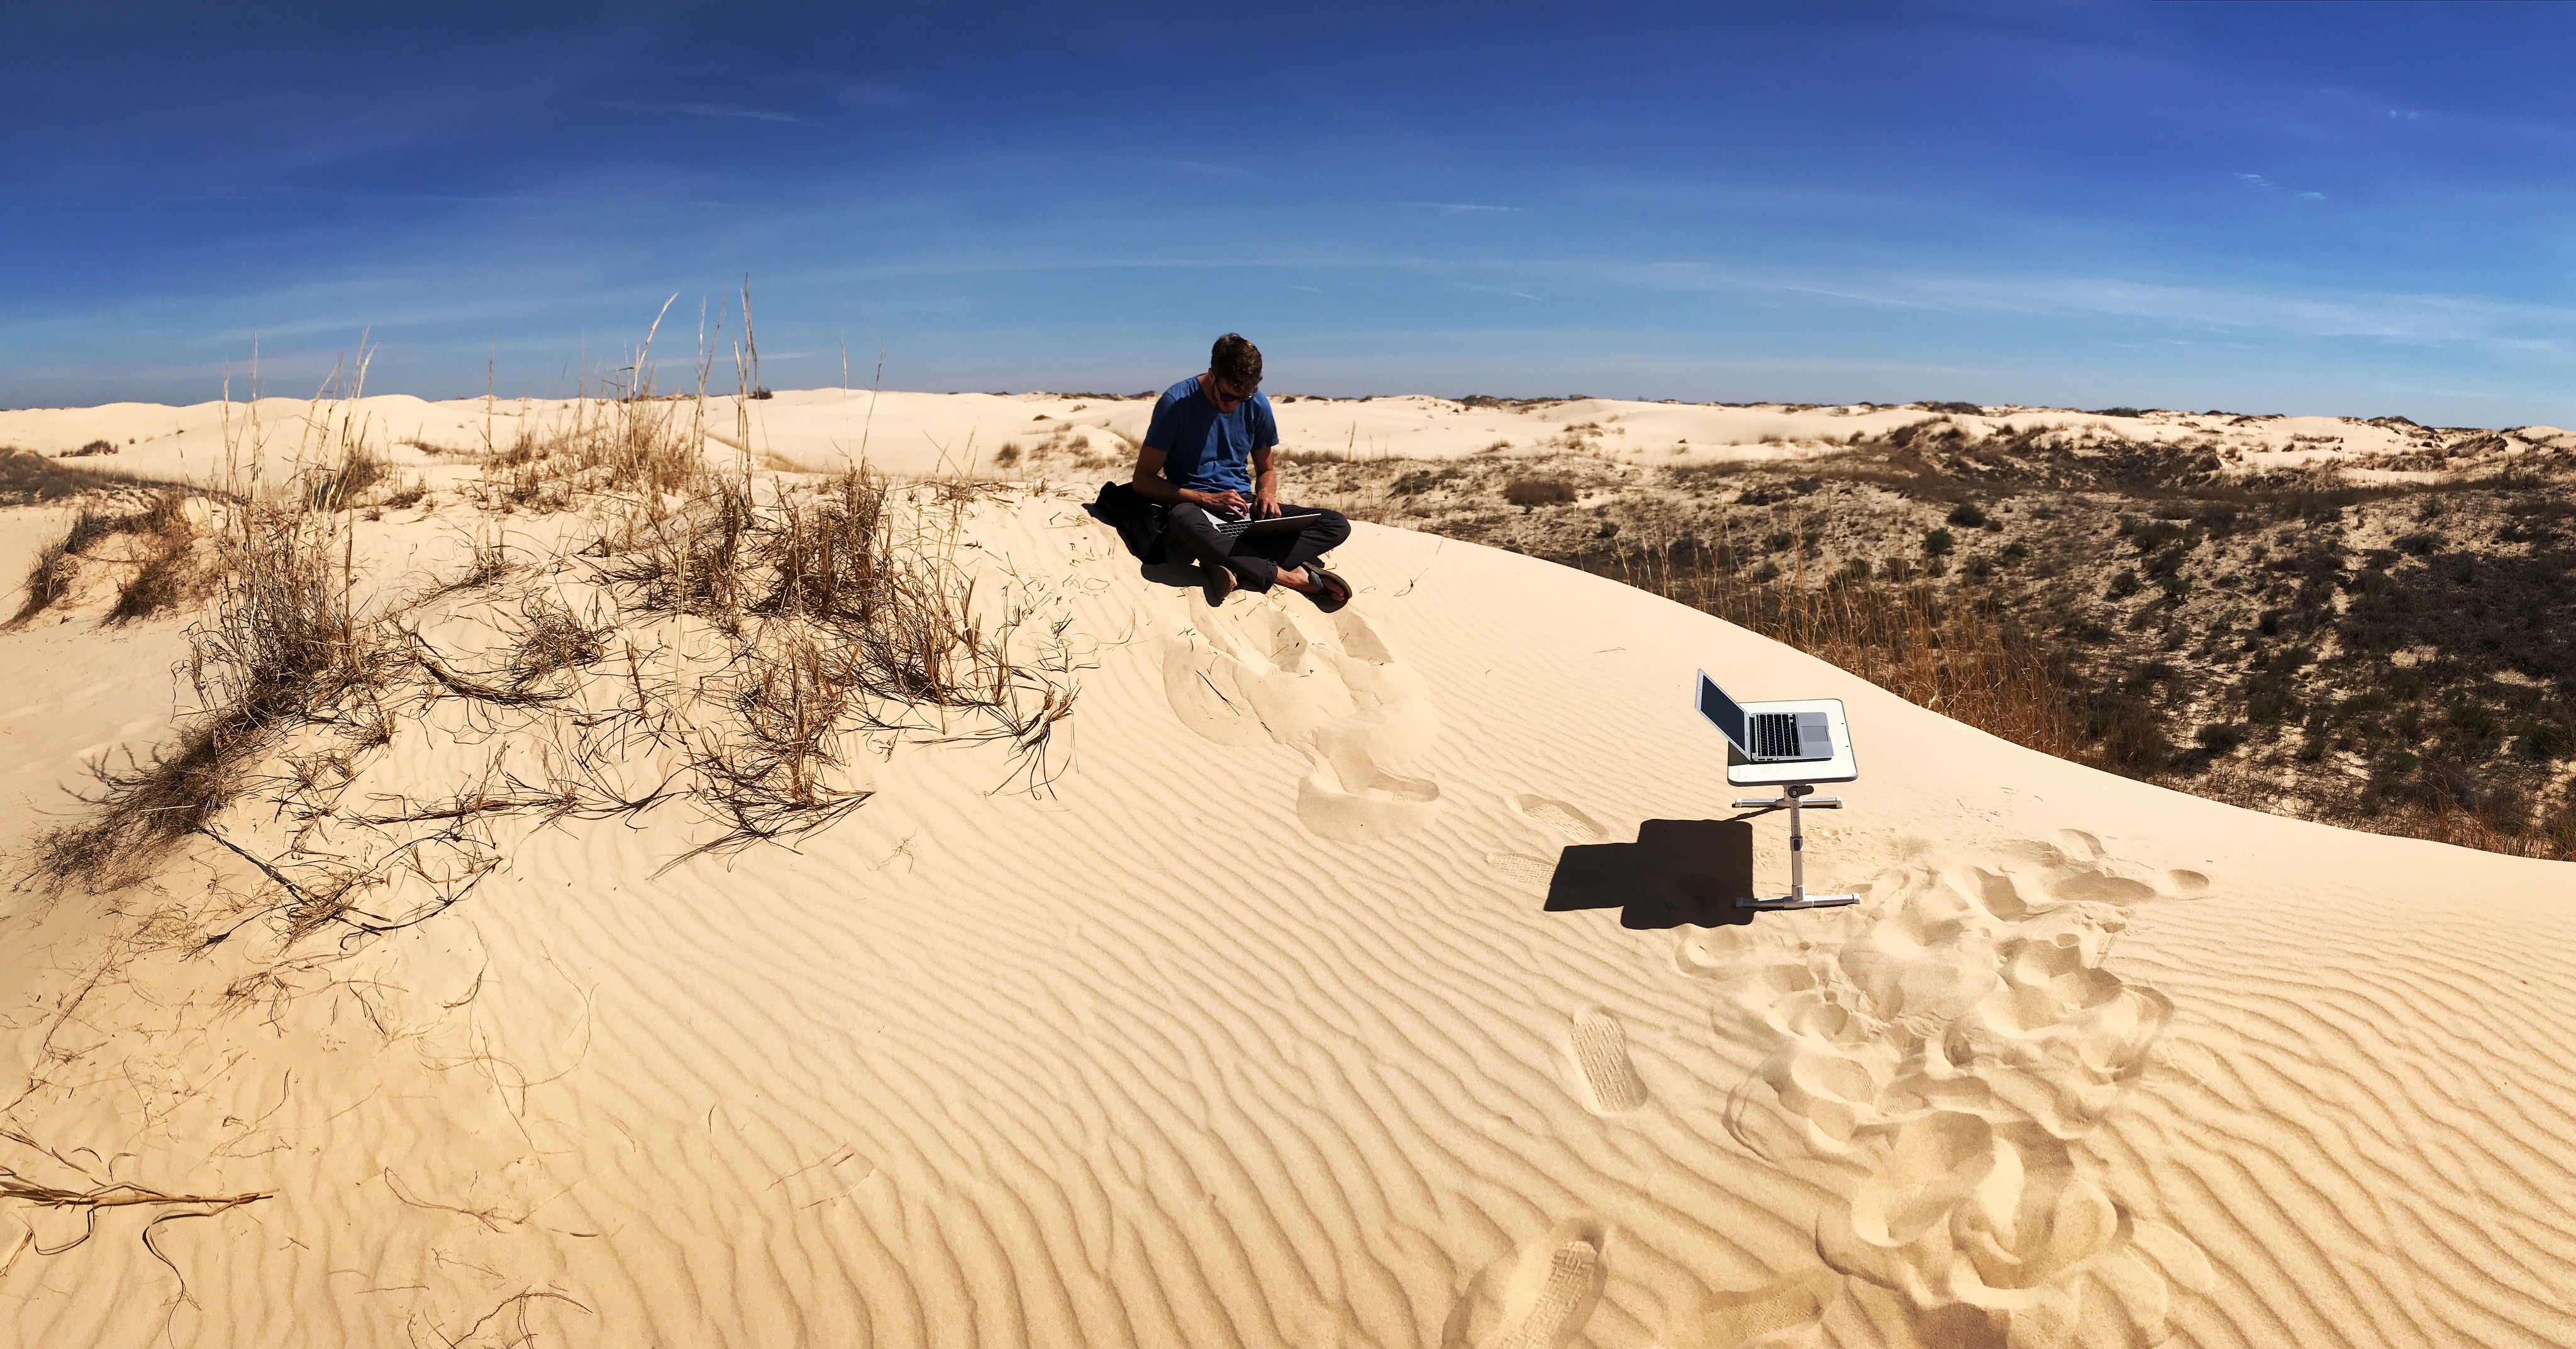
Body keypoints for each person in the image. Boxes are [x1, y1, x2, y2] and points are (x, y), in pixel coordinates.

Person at [1131, 333, 1354, 611]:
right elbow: (1142, 480)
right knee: (1182, 520)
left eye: (1244, 397)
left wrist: (1266, 494)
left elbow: (1267, 469)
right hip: (1194, 507)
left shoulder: (1257, 404)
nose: (1234, 405)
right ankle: (1290, 577)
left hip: (1244, 508)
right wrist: (1206, 499)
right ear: (1212, 375)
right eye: (1227, 397)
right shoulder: (1176, 404)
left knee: (1336, 524)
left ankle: (1229, 561)